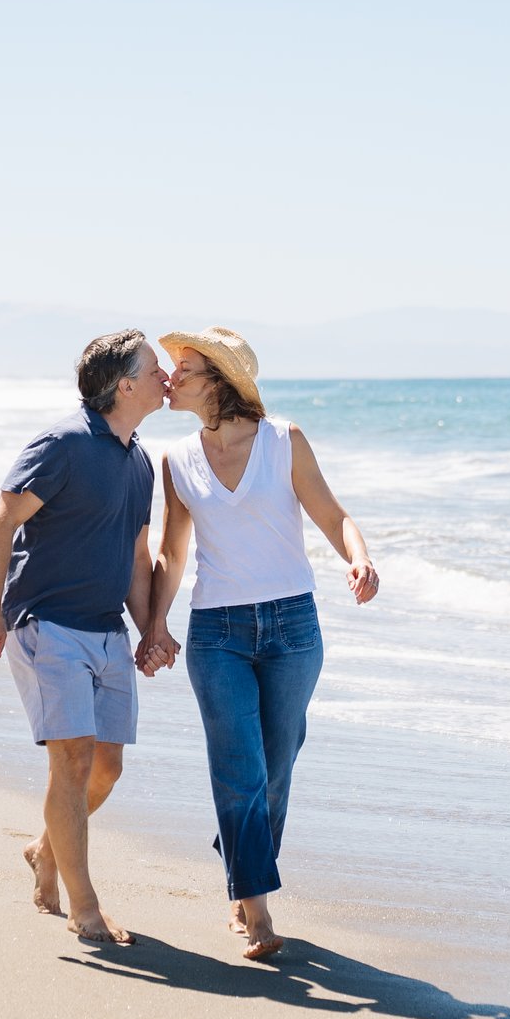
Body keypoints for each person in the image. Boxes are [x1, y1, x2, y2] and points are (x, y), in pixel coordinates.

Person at [137, 327, 377, 960]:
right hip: (218, 632)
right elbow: (172, 551)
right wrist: (156, 627)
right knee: (239, 766)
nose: (170, 378)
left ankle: (239, 861)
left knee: (277, 762)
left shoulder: (283, 441)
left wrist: (358, 559)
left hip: (294, 627)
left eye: (183, 369)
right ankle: (257, 909)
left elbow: (333, 514)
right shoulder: (177, 461)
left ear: (218, 378)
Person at [0, 329, 170, 947]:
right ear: (125, 383)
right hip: (46, 622)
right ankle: (84, 908)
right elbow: (3, 519)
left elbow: (138, 557)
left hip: (107, 629)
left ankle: (43, 848)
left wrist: (151, 631)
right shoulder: (63, 442)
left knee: (106, 766)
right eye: (155, 368)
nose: (168, 376)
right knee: (73, 757)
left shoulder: (137, 460)